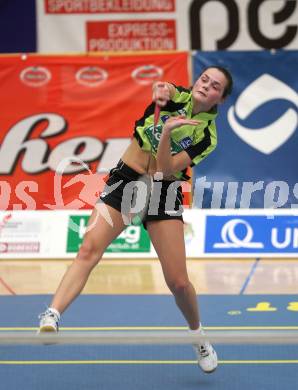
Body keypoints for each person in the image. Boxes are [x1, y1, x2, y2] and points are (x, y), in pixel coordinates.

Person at [39, 66, 233, 374]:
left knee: (179, 282)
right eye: (204, 79)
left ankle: (199, 337)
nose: (205, 85)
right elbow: (166, 90)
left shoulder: (207, 136)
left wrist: (168, 133)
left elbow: (167, 170)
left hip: (163, 189)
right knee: (89, 248)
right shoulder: (176, 97)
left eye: (214, 86)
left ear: (220, 98)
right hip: (126, 181)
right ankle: (52, 314)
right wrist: (161, 91)